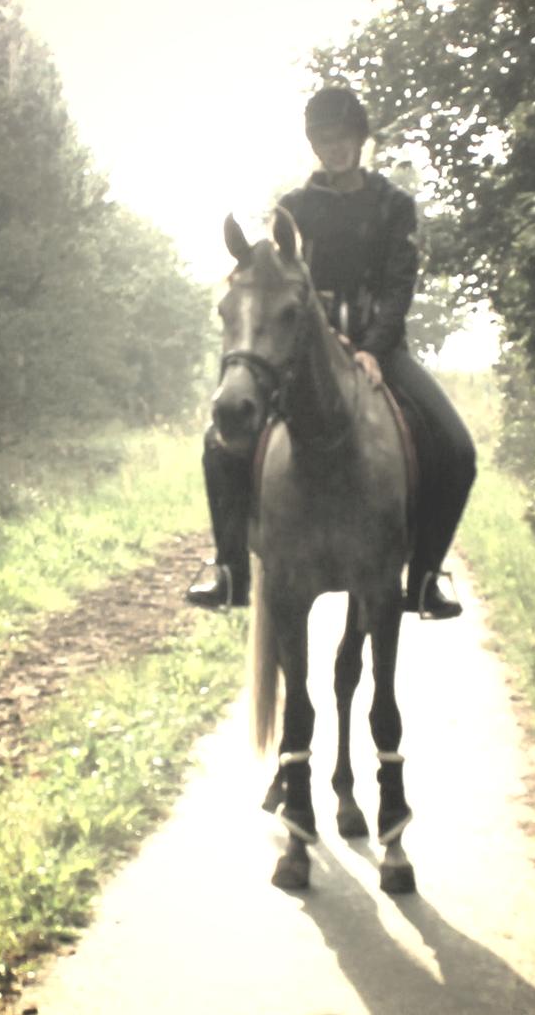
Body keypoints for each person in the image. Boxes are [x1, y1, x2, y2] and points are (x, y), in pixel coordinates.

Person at [187, 85, 476, 619]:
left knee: (457, 450)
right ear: (313, 144)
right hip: (309, 358)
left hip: (380, 353)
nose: (334, 147)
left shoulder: (394, 207)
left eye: (342, 137)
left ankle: (426, 577)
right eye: (323, 138)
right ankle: (230, 570)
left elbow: (398, 287)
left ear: (359, 139)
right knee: (218, 444)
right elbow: (280, 291)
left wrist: (371, 348)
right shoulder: (293, 211)